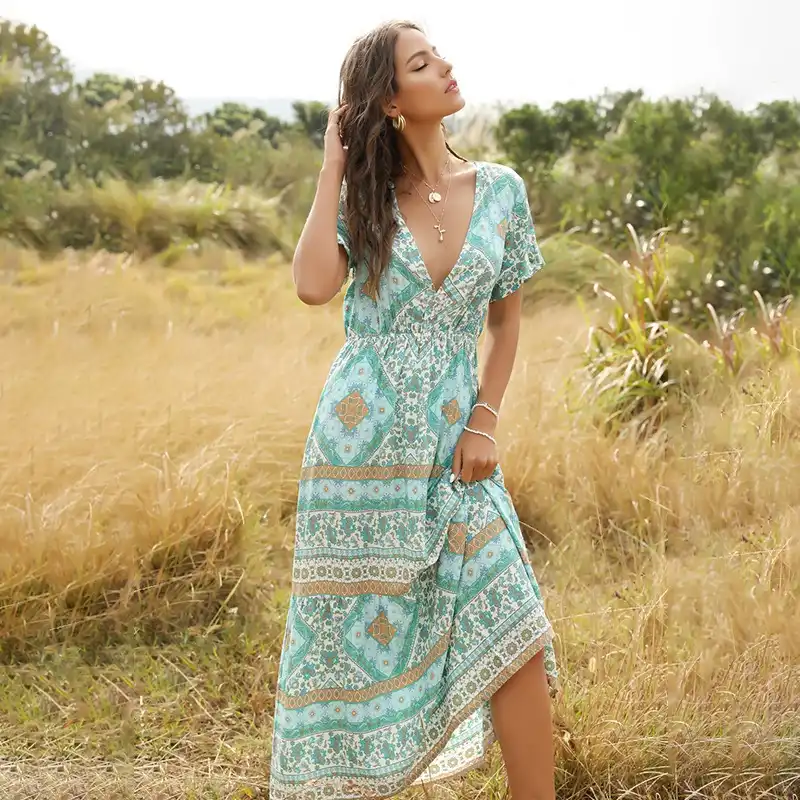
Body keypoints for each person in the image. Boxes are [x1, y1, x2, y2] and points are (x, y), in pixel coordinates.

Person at [270, 19, 560, 800]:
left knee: (516, 627)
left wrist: (485, 420)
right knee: (344, 659)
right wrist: (332, 162)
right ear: (391, 101)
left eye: (439, 57)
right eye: (423, 65)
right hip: (358, 458)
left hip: (457, 450)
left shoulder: (500, 190)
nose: (447, 69)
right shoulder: (365, 197)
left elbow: (506, 323)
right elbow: (310, 284)